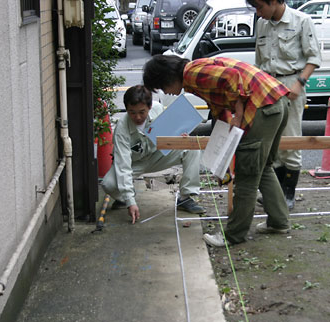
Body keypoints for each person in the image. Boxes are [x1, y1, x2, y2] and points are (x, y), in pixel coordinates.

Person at [143, 55, 291, 247]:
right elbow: (219, 111)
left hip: (260, 107)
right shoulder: (197, 71)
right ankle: (279, 222)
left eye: (162, 87)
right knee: (263, 167)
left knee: (247, 177)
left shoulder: (191, 73)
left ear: (167, 77)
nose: (166, 93)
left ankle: (233, 235)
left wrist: (238, 114)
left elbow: (231, 77)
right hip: (275, 102)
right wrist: (220, 159)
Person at [247, 0, 322, 210]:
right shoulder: (262, 23)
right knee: (272, 144)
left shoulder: (302, 21)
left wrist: (299, 83)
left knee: (291, 141)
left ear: (274, 2)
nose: (258, 13)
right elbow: (259, 61)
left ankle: (288, 195)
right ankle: (276, 194)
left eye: (260, 7)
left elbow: (314, 58)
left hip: (291, 84)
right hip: (267, 86)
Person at [101, 85, 205, 224]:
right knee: (108, 184)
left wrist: (180, 136)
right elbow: (123, 165)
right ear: (126, 109)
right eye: (132, 112)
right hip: (134, 164)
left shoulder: (157, 109)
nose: (137, 117)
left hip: (157, 155)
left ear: (149, 107)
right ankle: (124, 198)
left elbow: (170, 130)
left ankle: (185, 198)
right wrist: (130, 201)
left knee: (190, 147)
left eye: (142, 112)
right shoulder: (122, 128)